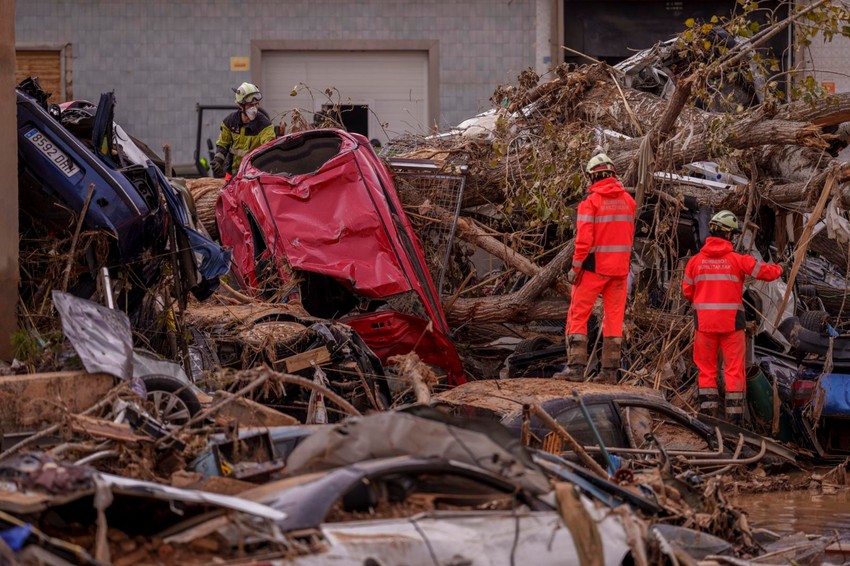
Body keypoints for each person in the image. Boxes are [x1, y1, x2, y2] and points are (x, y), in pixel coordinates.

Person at [682, 210, 783, 424]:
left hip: (705, 325)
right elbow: (765, 272)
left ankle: (707, 418)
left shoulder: (694, 262)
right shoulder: (738, 260)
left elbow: (687, 292)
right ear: (729, 235)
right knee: (734, 370)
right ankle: (735, 421)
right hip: (732, 325)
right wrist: (780, 268)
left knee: (706, 370)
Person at [557, 153, 636, 383]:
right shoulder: (628, 202)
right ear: (613, 174)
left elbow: (584, 241)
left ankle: (575, 369)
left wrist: (575, 268)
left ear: (592, 177)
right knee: (613, 319)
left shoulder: (590, 202)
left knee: (578, 315)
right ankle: (609, 373)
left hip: (593, 269)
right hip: (620, 271)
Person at [210, 82, 276, 178]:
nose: (254, 108)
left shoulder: (264, 125)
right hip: (231, 174)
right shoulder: (229, 122)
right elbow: (223, 144)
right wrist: (218, 161)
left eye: (256, 104)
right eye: (250, 105)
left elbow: (269, 148)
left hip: (253, 175)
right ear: (241, 105)